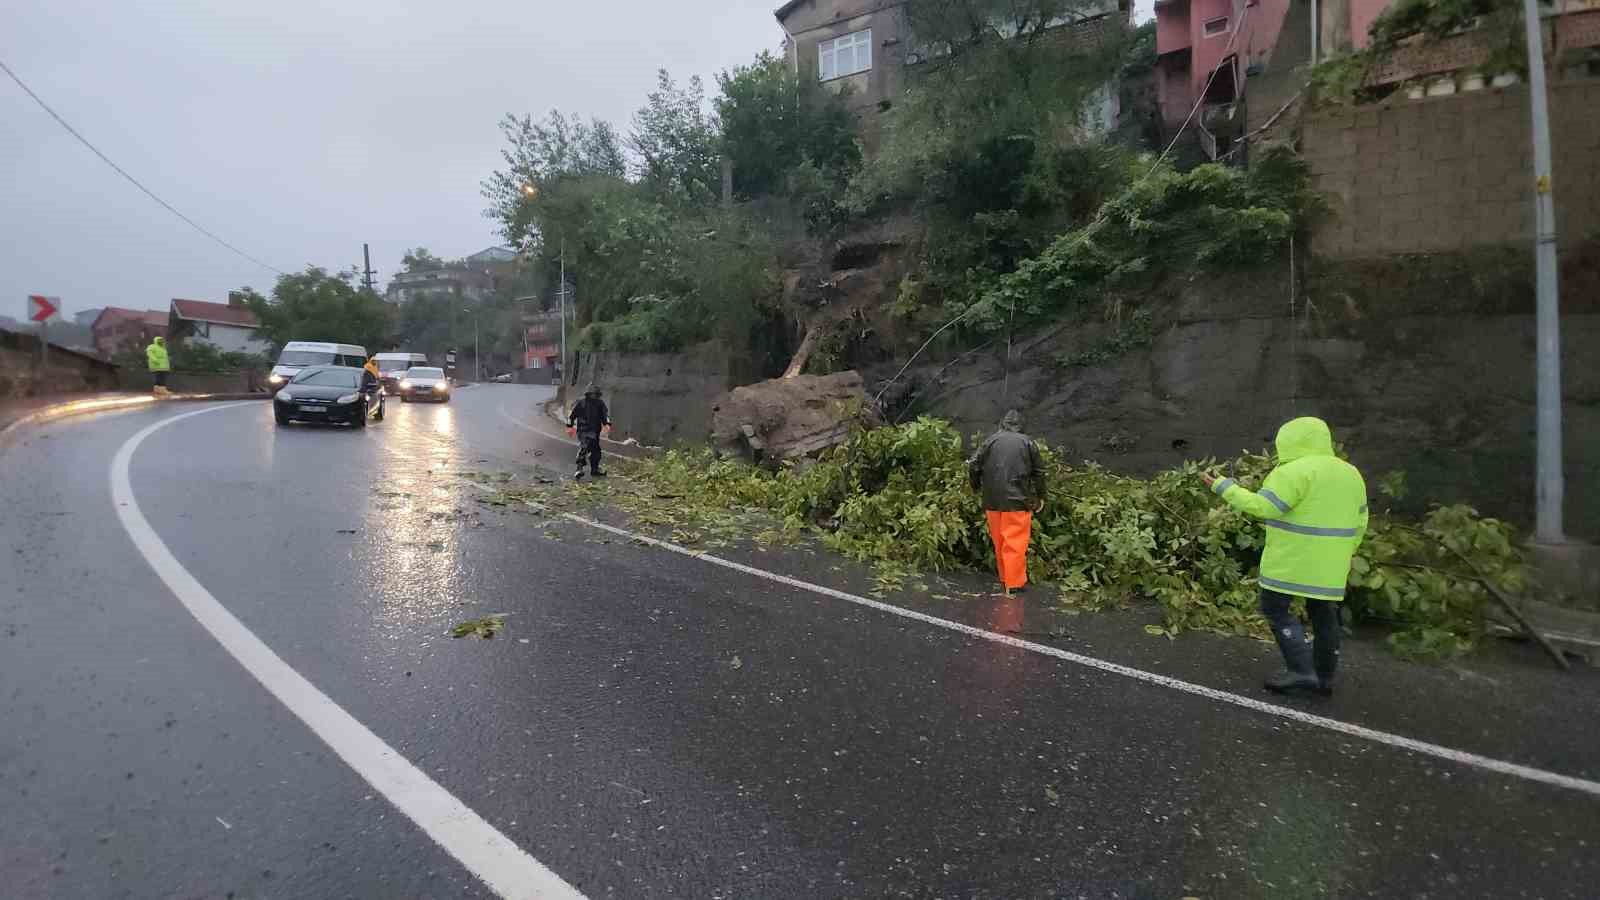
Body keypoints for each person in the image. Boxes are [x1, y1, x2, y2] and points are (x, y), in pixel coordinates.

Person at [1202, 416, 1368, 696]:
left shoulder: (1292, 471)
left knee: (1275, 609)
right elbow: (1361, 520)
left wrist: (1223, 487)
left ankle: (1302, 672)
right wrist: (1344, 552)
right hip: (1332, 564)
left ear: (1287, 442)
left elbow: (1264, 507)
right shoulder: (1351, 472)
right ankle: (1323, 677)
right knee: (1324, 615)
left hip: (1292, 560)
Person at [968, 410, 1045, 595]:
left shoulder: (991, 440)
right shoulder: (1027, 442)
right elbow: (1039, 472)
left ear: (1003, 424)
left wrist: (976, 487)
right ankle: (1014, 584)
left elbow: (973, 464)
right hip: (1017, 500)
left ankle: (1005, 579)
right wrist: (1041, 497)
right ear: (1021, 425)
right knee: (1015, 542)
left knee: (1000, 541)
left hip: (992, 500)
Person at [566, 384, 610, 479]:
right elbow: (572, 416)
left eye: (595, 394)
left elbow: (605, 415)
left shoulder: (600, 404)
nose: (593, 396)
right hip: (583, 430)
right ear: (588, 394)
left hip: (595, 431)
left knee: (596, 451)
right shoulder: (581, 403)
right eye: (592, 394)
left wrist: (607, 424)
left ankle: (595, 469)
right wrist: (569, 427)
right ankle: (579, 468)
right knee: (584, 447)